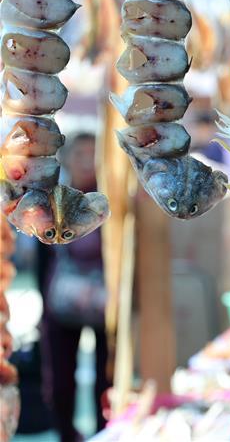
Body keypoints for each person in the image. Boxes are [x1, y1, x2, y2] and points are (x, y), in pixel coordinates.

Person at [37, 133, 109, 442]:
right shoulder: (51, 199)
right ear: (67, 159)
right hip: (60, 304)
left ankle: (104, 433)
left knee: (104, 381)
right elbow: (41, 253)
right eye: (79, 155)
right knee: (61, 382)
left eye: (92, 155)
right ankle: (67, 434)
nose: (85, 162)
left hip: (104, 305)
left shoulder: (110, 201)